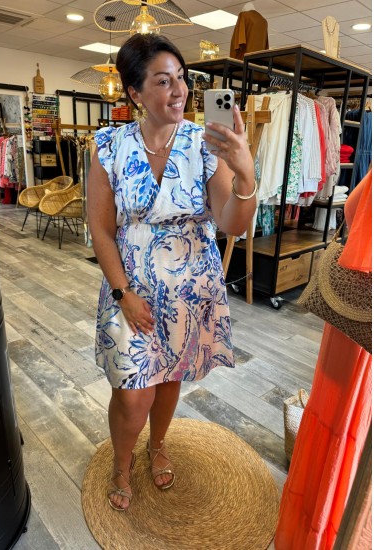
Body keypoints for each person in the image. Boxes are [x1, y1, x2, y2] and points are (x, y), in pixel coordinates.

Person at [87, 33, 256, 511]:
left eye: (181, 78)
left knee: (168, 377)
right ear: (135, 92)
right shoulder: (108, 147)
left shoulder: (204, 144)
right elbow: (100, 230)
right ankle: (122, 464)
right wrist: (123, 294)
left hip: (190, 290)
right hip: (131, 290)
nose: (179, 90)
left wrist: (244, 173)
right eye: (163, 81)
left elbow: (231, 224)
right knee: (132, 394)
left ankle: (157, 445)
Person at [274, 168, 372, 549]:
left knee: (339, 421)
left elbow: (357, 221)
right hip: (359, 326)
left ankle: (318, 522)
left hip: (358, 334)